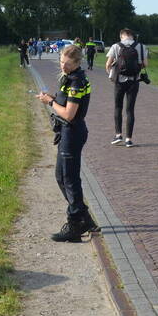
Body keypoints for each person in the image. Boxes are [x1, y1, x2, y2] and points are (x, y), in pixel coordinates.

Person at [37, 44, 99, 242]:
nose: (62, 66)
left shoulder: (77, 82)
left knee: (69, 179)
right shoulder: (70, 78)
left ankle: (75, 224)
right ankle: (84, 218)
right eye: (61, 62)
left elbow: (69, 114)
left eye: (67, 63)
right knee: (61, 177)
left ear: (77, 63)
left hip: (72, 132)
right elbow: (65, 104)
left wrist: (49, 102)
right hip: (67, 132)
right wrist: (52, 98)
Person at [105, 29, 147, 148]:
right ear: (132, 36)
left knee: (118, 107)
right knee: (130, 110)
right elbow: (145, 64)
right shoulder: (141, 46)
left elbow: (108, 64)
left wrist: (111, 73)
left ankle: (118, 135)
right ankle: (129, 139)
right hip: (134, 81)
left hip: (119, 81)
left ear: (121, 36)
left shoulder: (115, 46)